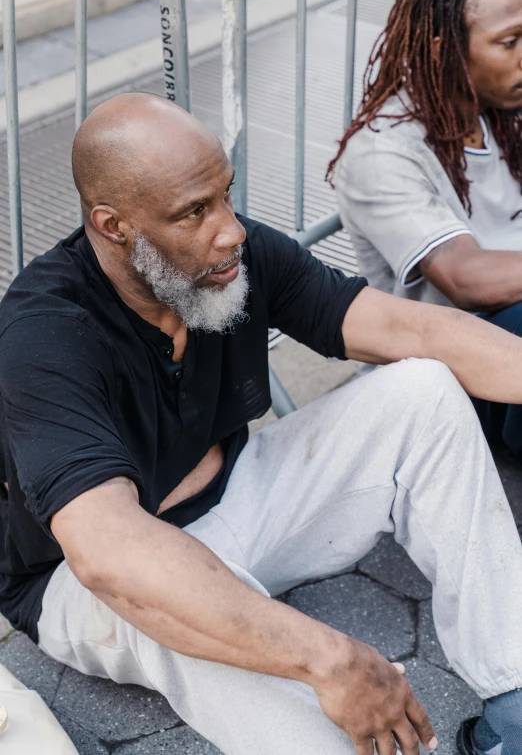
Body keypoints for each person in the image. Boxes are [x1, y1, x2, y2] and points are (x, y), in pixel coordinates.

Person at [2, 93, 522, 755]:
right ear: (113, 225)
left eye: (225, 194)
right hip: (86, 581)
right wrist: (327, 657)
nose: (231, 230)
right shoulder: (43, 334)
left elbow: (407, 325)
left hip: (237, 502)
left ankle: (514, 697)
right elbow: (109, 551)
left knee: (424, 384)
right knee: (172, 608)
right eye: (194, 212)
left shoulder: (227, 256)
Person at [332, 0, 522, 464]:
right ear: (445, 48)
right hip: (448, 369)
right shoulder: (381, 153)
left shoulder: (500, 109)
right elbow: (465, 279)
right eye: (510, 42)